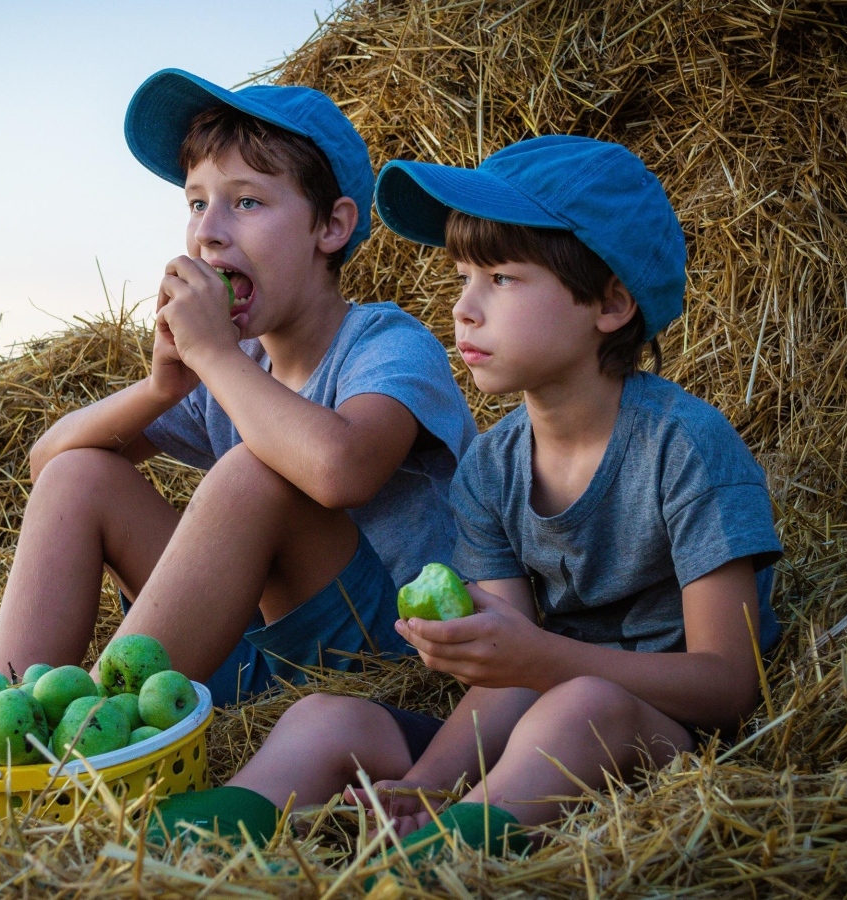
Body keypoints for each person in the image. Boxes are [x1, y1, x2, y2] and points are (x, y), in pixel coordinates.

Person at [150, 135, 783, 864]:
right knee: (321, 718)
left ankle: (420, 871)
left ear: (609, 302)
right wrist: (420, 785)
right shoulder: (492, 467)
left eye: (503, 279)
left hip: (662, 735)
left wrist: (541, 658)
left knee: (576, 706)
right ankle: (175, 855)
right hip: (533, 715)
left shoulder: (685, 448)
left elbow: (729, 684)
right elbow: (508, 675)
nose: (464, 309)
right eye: (463, 276)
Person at [0, 68, 477, 709]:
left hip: (382, 661)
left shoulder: (385, 342)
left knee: (256, 472)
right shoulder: (234, 365)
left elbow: (340, 472)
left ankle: (87, 742)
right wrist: (162, 386)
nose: (208, 231)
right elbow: (49, 465)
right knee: (82, 477)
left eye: (246, 202)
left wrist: (215, 355)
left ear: (330, 227)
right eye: (196, 202)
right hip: (253, 658)